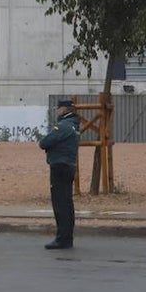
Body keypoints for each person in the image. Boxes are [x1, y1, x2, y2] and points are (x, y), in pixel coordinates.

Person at [38, 98, 81, 250]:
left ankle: (62, 238)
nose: (57, 110)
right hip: (68, 166)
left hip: (59, 166)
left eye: (59, 107)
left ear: (65, 109)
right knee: (67, 203)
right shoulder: (74, 125)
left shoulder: (63, 126)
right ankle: (67, 237)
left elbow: (44, 142)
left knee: (60, 204)